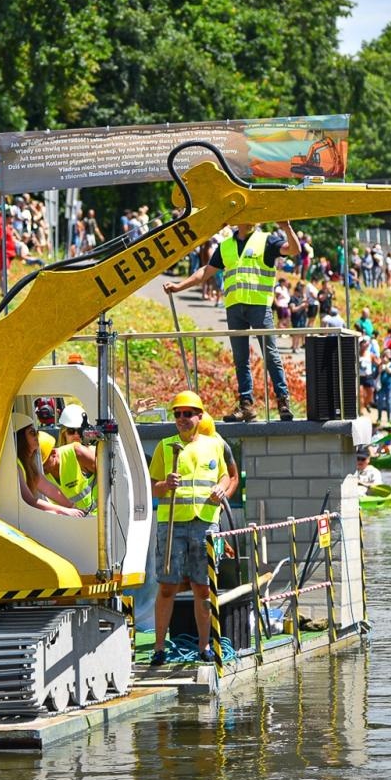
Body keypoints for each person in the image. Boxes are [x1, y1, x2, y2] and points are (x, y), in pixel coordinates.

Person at [164, 220, 301, 421]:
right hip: (234, 307)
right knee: (240, 358)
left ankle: (282, 401)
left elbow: (294, 250)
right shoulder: (226, 245)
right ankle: (246, 404)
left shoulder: (266, 240)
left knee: (271, 354)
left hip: (259, 306)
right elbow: (206, 271)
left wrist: (287, 227)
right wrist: (179, 286)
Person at [149, 390, 239, 667]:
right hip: (172, 524)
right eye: (177, 414)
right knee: (167, 587)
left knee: (203, 587)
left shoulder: (214, 445)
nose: (182, 418)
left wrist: (220, 490)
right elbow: (151, 488)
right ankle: (160, 648)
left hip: (205, 524)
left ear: (200, 416)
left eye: (188, 413)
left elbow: (227, 478)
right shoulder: (165, 446)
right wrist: (165, 486)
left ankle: (205, 647)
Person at [13, 415, 86, 517]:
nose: (37, 436)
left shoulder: (29, 464)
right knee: (53, 513)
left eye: (36, 432)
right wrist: (63, 510)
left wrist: (72, 506)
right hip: (21, 516)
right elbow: (30, 501)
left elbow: (49, 488)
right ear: (21, 438)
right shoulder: (17, 467)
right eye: (32, 433)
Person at [43, 403, 98, 514]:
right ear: (63, 434)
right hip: (68, 522)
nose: (76, 435)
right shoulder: (50, 459)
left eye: (80, 431)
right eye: (71, 431)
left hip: (97, 520)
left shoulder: (93, 453)